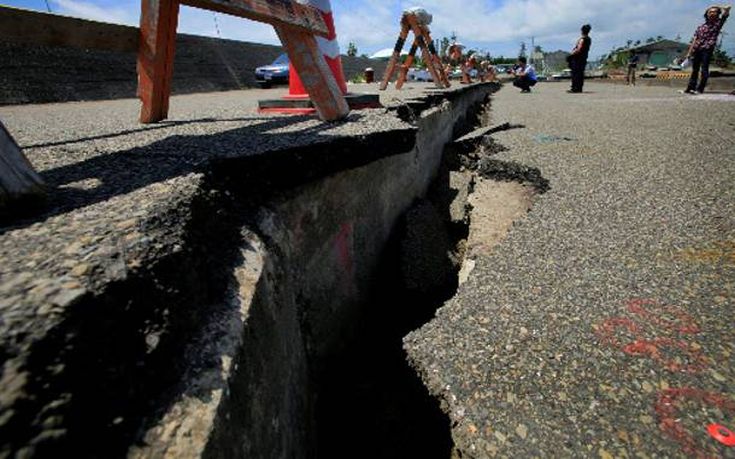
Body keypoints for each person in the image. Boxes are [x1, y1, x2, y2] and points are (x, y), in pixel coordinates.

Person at [683, 4, 731, 94]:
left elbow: (726, 11)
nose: (712, 13)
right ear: (707, 14)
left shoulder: (717, 24)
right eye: (710, 12)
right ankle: (690, 88)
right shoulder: (701, 27)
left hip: (707, 49)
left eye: (714, 12)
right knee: (695, 70)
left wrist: (718, 7)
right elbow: (694, 40)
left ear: (717, 14)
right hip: (697, 49)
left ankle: (700, 89)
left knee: (704, 69)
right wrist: (689, 53)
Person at [567, 24, 592, 93]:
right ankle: (579, 88)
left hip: (577, 58)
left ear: (582, 31)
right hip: (584, 58)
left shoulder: (582, 39)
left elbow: (578, 49)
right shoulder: (589, 39)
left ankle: (575, 88)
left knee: (575, 73)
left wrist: (571, 54)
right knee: (580, 73)